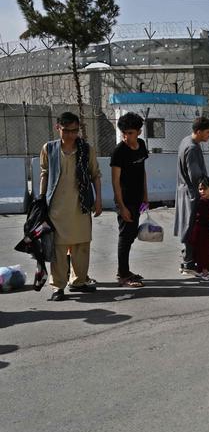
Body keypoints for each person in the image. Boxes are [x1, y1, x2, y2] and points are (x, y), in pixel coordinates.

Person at [40, 112, 102, 301]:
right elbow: (44, 174)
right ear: (58, 128)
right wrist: (41, 200)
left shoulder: (86, 149)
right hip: (56, 208)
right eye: (66, 131)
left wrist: (98, 199)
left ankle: (78, 281)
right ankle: (57, 286)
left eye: (74, 131)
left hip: (81, 205)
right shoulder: (49, 149)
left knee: (82, 245)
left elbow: (95, 175)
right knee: (58, 248)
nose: (71, 135)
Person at [110, 112, 148, 288]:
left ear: (139, 132)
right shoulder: (119, 151)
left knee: (131, 235)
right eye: (124, 133)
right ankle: (123, 274)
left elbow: (143, 172)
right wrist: (121, 206)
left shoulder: (141, 146)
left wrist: (146, 196)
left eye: (130, 132)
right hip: (125, 201)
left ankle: (124, 270)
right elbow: (115, 181)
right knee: (125, 236)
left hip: (138, 199)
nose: (126, 136)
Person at [174, 117, 209, 275]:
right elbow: (196, 176)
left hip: (185, 191)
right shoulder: (192, 148)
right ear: (198, 132)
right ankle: (189, 263)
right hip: (192, 194)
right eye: (207, 132)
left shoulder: (186, 141)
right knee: (193, 228)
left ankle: (189, 259)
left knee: (188, 226)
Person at [188, 177, 209, 282]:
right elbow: (207, 216)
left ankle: (201, 270)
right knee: (203, 252)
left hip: (208, 231)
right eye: (200, 189)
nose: (202, 191)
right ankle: (204, 272)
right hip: (201, 231)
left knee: (208, 250)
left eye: (204, 189)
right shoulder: (202, 202)